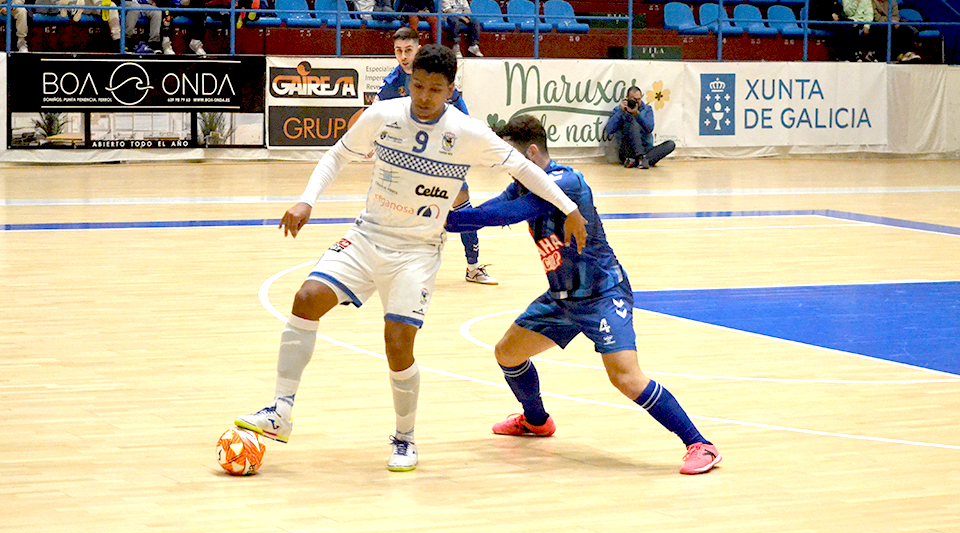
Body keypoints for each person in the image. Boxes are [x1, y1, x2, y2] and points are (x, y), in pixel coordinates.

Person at [235, 45, 588, 472]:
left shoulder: (468, 131)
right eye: (417, 85)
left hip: (417, 251)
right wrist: (306, 200)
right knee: (307, 297)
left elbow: (526, 170)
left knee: (397, 344)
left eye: (435, 89)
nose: (424, 95)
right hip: (367, 235)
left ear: (450, 90)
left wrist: (569, 208)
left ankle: (405, 438)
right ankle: (280, 410)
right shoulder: (384, 115)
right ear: (409, 81)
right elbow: (337, 155)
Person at [445, 114, 722, 475]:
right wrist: (447, 204)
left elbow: (500, 215)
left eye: (511, 159)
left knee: (625, 376)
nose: (508, 169)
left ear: (531, 152)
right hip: (562, 297)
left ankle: (700, 444)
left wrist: (454, 209)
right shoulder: (521, 184)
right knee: (508, 353)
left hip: (603, 293)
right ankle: (536, 421)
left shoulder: (565, 182)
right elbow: (476, 216)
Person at [377, 26, 497, 285]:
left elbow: (463, 117)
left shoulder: (439, 77)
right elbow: (375, 118)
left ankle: (473, 267)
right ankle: (398, 266)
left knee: (463, 207)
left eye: (408, 50)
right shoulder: (391, 84)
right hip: (411, 164)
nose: (403, 56)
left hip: (445, 158)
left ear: (418, 49)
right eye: (398, 51)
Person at [604, 86, 675, 170]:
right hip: (627, 150)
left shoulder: (647, 109)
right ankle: (641, 159)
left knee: (670, 144)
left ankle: (639, 160)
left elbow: (649, 128)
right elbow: (609, 130)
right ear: (627, 98)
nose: (636, 102)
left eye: (638, 99)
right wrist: (621, 112)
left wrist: (637, 114)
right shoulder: (619, 110)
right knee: (633, 122)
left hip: (646, 149)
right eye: (633, 99)